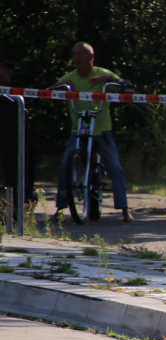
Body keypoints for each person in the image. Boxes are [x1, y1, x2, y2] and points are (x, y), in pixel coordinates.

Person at [52, 42, 134, 223]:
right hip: (78, 130)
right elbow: (52, 89)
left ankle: (125, 210)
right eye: (74, 54)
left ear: (91, 57)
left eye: (81, 54)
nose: (76, 58)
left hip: (101, 130)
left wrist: (109, 81)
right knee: (66, 164)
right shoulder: (71, 77)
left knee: (115, 167)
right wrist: (61, 87)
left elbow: (128, 87)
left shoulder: (102, 74)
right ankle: (59, 209)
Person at [1, 53, 37, 219]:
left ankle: (19, 202)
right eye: (7, 67)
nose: (11, 71)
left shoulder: (8, 98)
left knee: (28, 147)